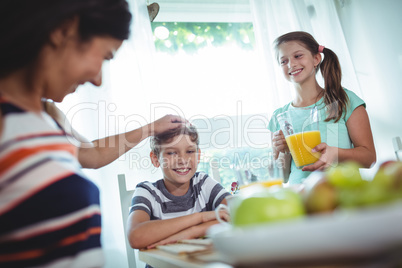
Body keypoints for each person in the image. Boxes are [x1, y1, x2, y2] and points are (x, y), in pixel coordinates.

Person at [0, 1, 186, 267]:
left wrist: (151, 128)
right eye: (105, 56)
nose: (98, 79)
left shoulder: (49, 115)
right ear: (63, 30)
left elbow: (94, 154)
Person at [268, 31, 376, 184]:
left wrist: (336, 154)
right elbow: (281, 177)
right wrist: (281, 152)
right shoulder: (280, 116)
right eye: (283, 61)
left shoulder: (344, 100)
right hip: (301, 200)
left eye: (298, 56)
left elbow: (369, 158)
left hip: (344, 195)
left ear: (316, 58)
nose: (291, 64)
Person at [127, 125, 231, 250]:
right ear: (155, 159)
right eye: (171, 152)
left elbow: (238, 215)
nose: (183, 160)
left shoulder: (203, 183)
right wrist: (201, 217)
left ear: (198, 155)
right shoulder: (147, 191)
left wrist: (193, 231)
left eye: (190, 151)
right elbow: (136, 237)